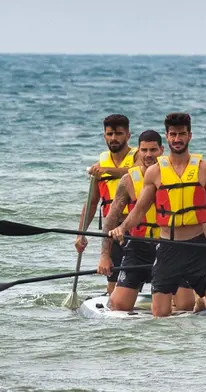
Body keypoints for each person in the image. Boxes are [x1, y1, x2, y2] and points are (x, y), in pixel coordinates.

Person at [109, 112, 206, 317]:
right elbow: (139, 210)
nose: (177, 139)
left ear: (189, 135)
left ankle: (201, 307)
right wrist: (122, 227)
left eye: (182, 134)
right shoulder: (155, 172)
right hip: (168, 248)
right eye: (173, 134)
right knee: (160, 315)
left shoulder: (205, 169)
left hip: (197, 247)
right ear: (167, 137)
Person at [97, 130, 164, 310]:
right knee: (117, 305)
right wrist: (105, 255)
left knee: (185, 304)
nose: (148, 155)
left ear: (162, 150)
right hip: (137, 248)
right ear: (138, 151)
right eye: (144, 150)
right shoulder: (128, 180)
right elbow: (111, 219)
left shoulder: (171, 176)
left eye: (153, 150)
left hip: (166, 247)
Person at [75, 114, 137, 294]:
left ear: (128, 135)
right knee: (113, 287)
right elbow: (91, 203)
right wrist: (80, 235)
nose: (113, 138)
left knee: (140, 277)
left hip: (137, 228)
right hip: (111, 231)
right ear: (104, 136)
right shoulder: (99, 167)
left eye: (119, 133)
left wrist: (107, 170)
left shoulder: (138, 157)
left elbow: (139, 171)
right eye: (110, 134)